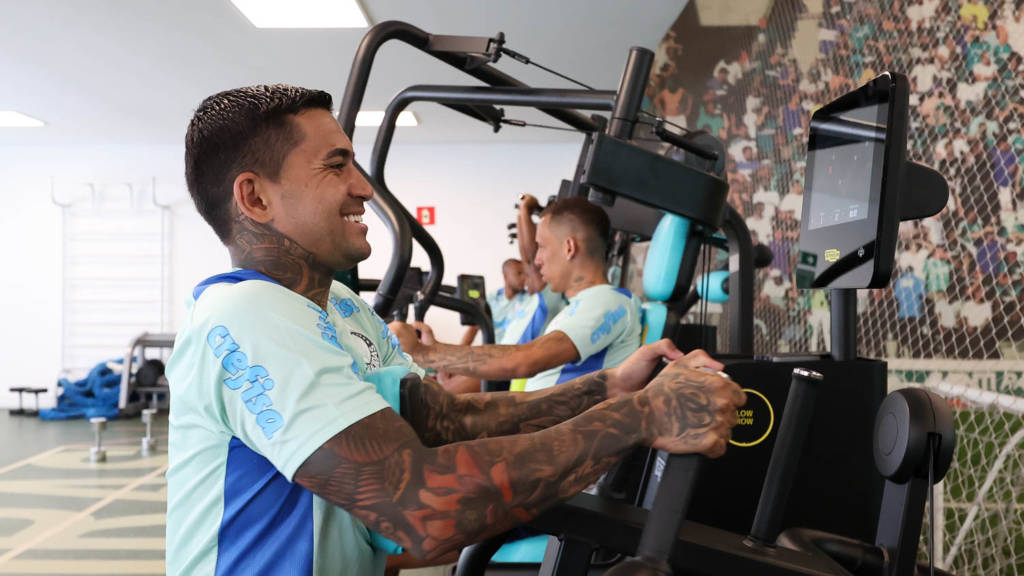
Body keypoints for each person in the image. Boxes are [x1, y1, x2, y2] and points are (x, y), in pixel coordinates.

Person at [165, 84, 746, 575]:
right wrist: (642, 417)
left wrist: (608, 388)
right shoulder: (245, 315)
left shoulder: (339, 305)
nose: (363, 187)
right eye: (336, 165)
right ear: (255, 197)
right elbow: (421, 506)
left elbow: (445, 419)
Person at [391, 196, 645, 392]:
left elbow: (525, 360)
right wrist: (434, 353)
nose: (538, 259)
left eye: (542, 247)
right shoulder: (582, 304)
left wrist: (426, 353)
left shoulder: (607, 301)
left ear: (569, 248)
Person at [458, 258, 528, 346]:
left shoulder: (529, 299)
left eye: (525, 274)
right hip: (493, 351)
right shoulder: (491, 299)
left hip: (518, 351)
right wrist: (458, 352)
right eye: (519, 273)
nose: (524, 278)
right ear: (505, 276)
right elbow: (473, 330)